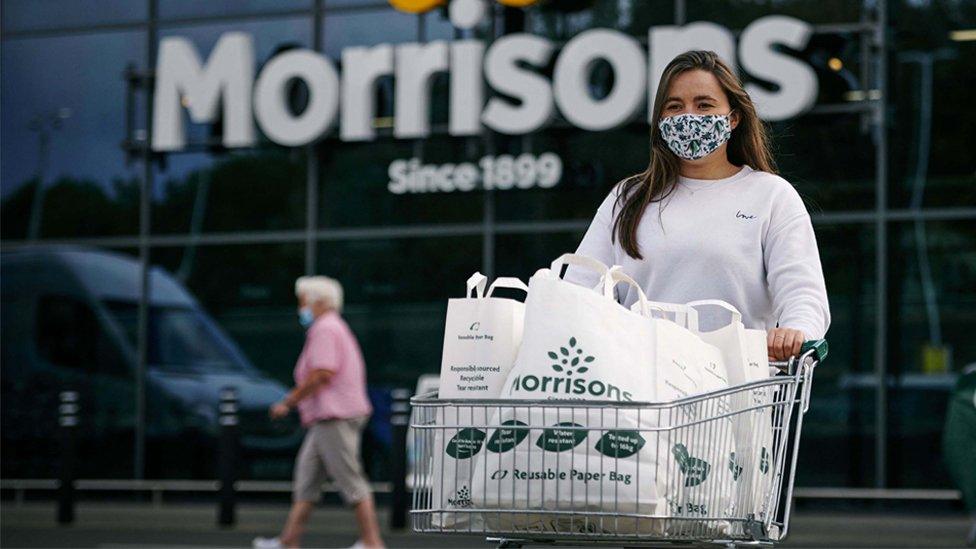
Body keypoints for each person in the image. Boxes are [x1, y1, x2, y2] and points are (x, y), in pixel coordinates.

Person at [564, 50, 830, 357]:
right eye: (675, 106)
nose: (689, 117)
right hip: (643, 386)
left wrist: (797, 332)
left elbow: (802, 291)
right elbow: (579, 287)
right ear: (660, 120)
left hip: (736, 388)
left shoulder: (770, 196)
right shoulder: (629, 198)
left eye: (704, 105)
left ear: (733, 118)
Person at [253, 276, 384, 549]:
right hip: (325, 419)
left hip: (335, 417)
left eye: (303, 302)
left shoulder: (325, 328)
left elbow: (322, 372)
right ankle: (289, 541)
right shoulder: (333, 327)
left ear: (319, 302)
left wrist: (288, 402)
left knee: (350, 481)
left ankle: (372, 543)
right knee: (306, 480)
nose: (300, 308)